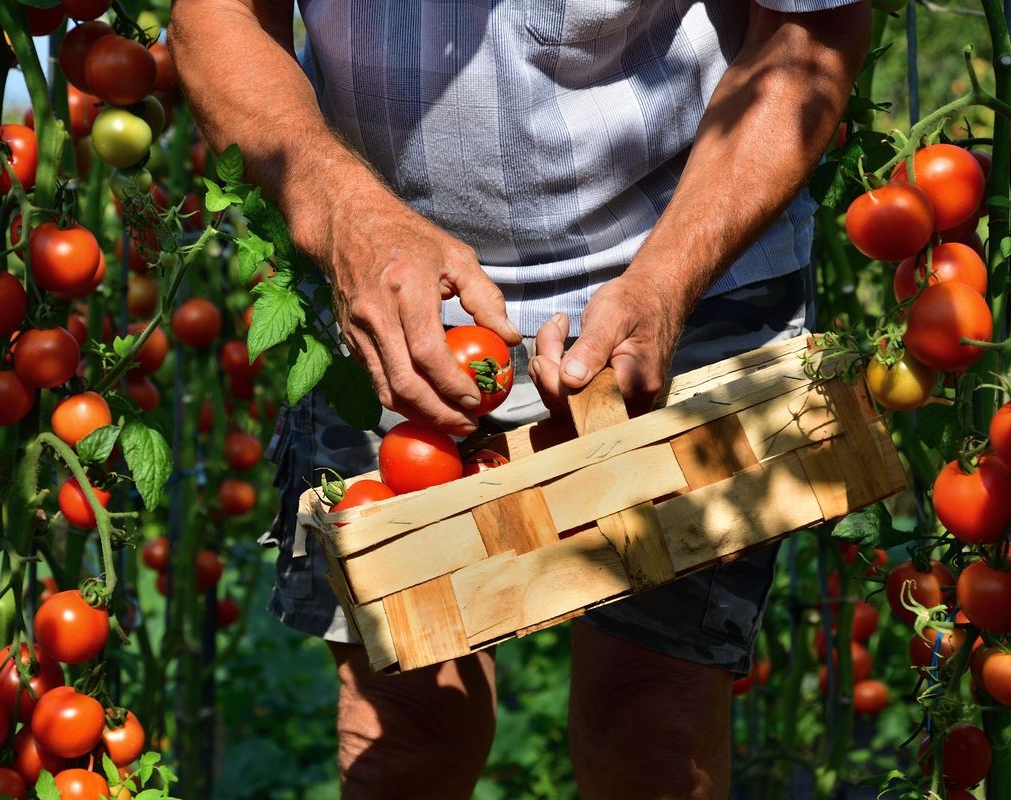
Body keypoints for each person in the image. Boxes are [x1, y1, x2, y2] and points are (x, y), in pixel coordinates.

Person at [170, 1, 871, 797]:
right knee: (404, 720)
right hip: (388, 288)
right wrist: (345, 216)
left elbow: (811, 30)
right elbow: (213, 17)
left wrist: (669, 279)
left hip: (696, 262)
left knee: (652, 724)